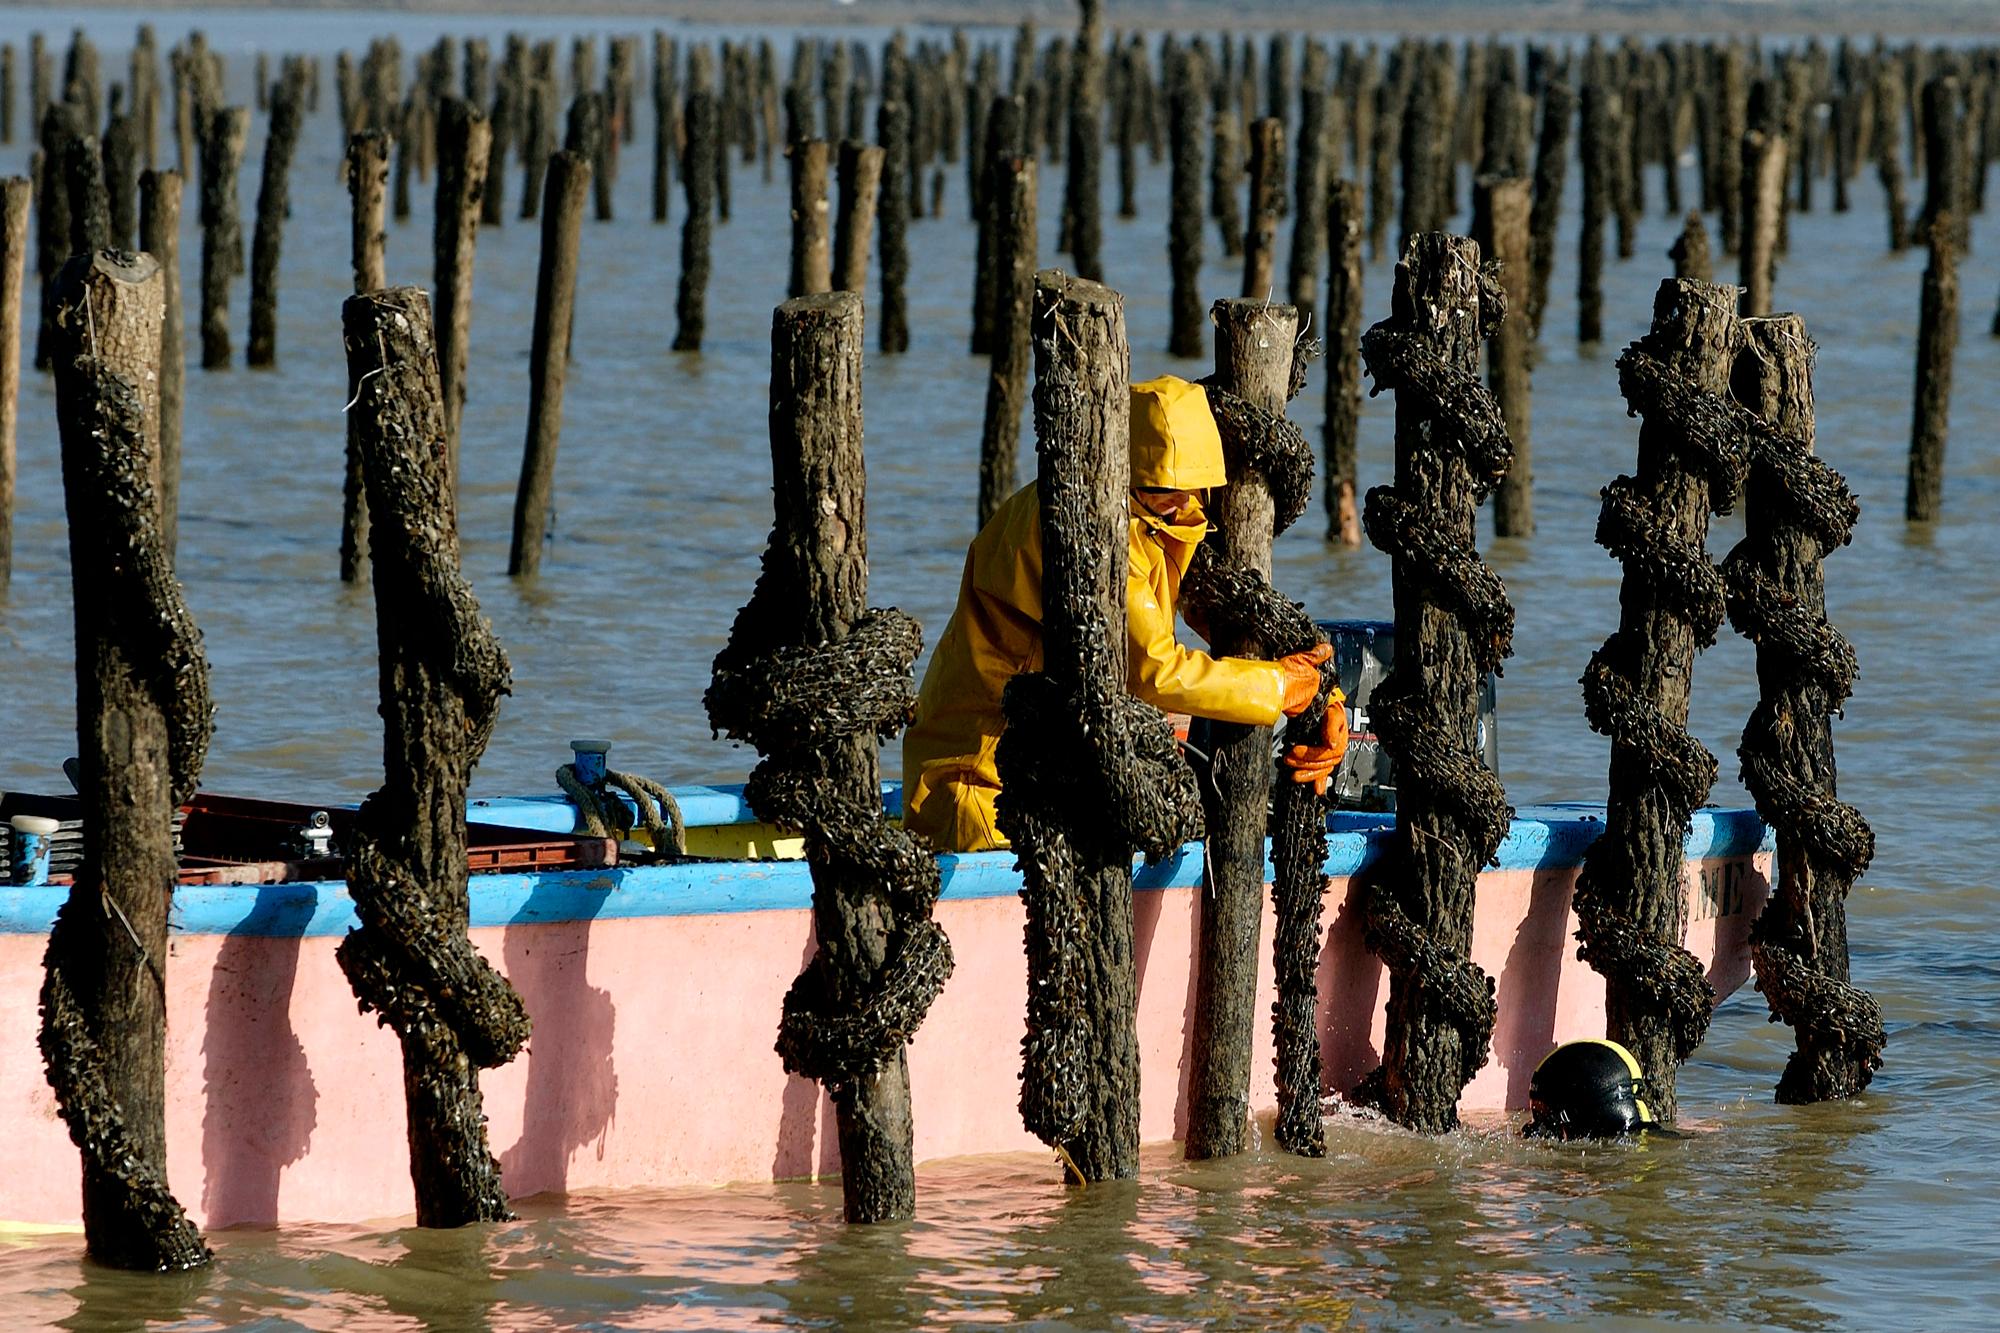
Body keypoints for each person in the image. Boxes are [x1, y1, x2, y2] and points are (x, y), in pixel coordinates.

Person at [902, 374, 1349, 854]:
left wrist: (1324, 695)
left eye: (1195, 486)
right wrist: (1280, 688)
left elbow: (1223, 610)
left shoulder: (1157, 512)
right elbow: (1152, 672)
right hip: (979, 785)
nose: (1184, 503)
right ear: (1127, 468)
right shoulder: (1091, 531)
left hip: (1049, 774)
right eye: (1166, 488)